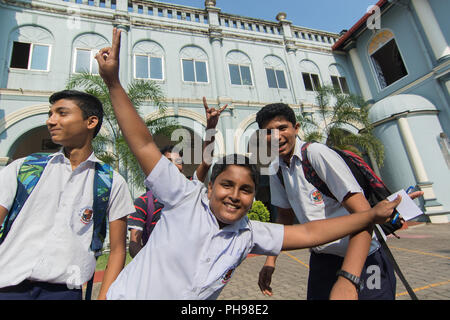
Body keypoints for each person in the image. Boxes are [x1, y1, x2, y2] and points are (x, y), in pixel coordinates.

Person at [94, 28, 407, 300]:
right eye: (227, 184)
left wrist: (372, 218)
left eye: (246, 189)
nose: (234, 195)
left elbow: (310, 232)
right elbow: (145, 144)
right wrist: (113, 83)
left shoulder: (250, 231)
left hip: (361, 260)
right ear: (209, 187)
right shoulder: (184, 200)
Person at [255, 102, 423, 300]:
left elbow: (363, 216)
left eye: (282, 128)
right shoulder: (276, 170)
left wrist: (349, 278)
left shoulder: (316, 154)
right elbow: (284, 216)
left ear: (296, 128)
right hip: (323, 260)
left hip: (363, 257)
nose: (276, 136)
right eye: (268, 132)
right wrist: (270, 260)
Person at [0, 89, 135, 300]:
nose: (50, 121)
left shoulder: (110, 181)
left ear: (90, 122)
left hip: (65, 292)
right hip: (8, 287)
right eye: (50, 113)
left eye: (62, 113)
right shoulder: (24, 168)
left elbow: (118, 250)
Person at [128, 100, 226, 258]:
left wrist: (211, 128)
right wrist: (145, 267)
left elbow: (207, 161)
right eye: (168, 162)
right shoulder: (144, 202)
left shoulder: (191, 188)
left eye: (178, 162)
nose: (173, 165)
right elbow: (134, 242)